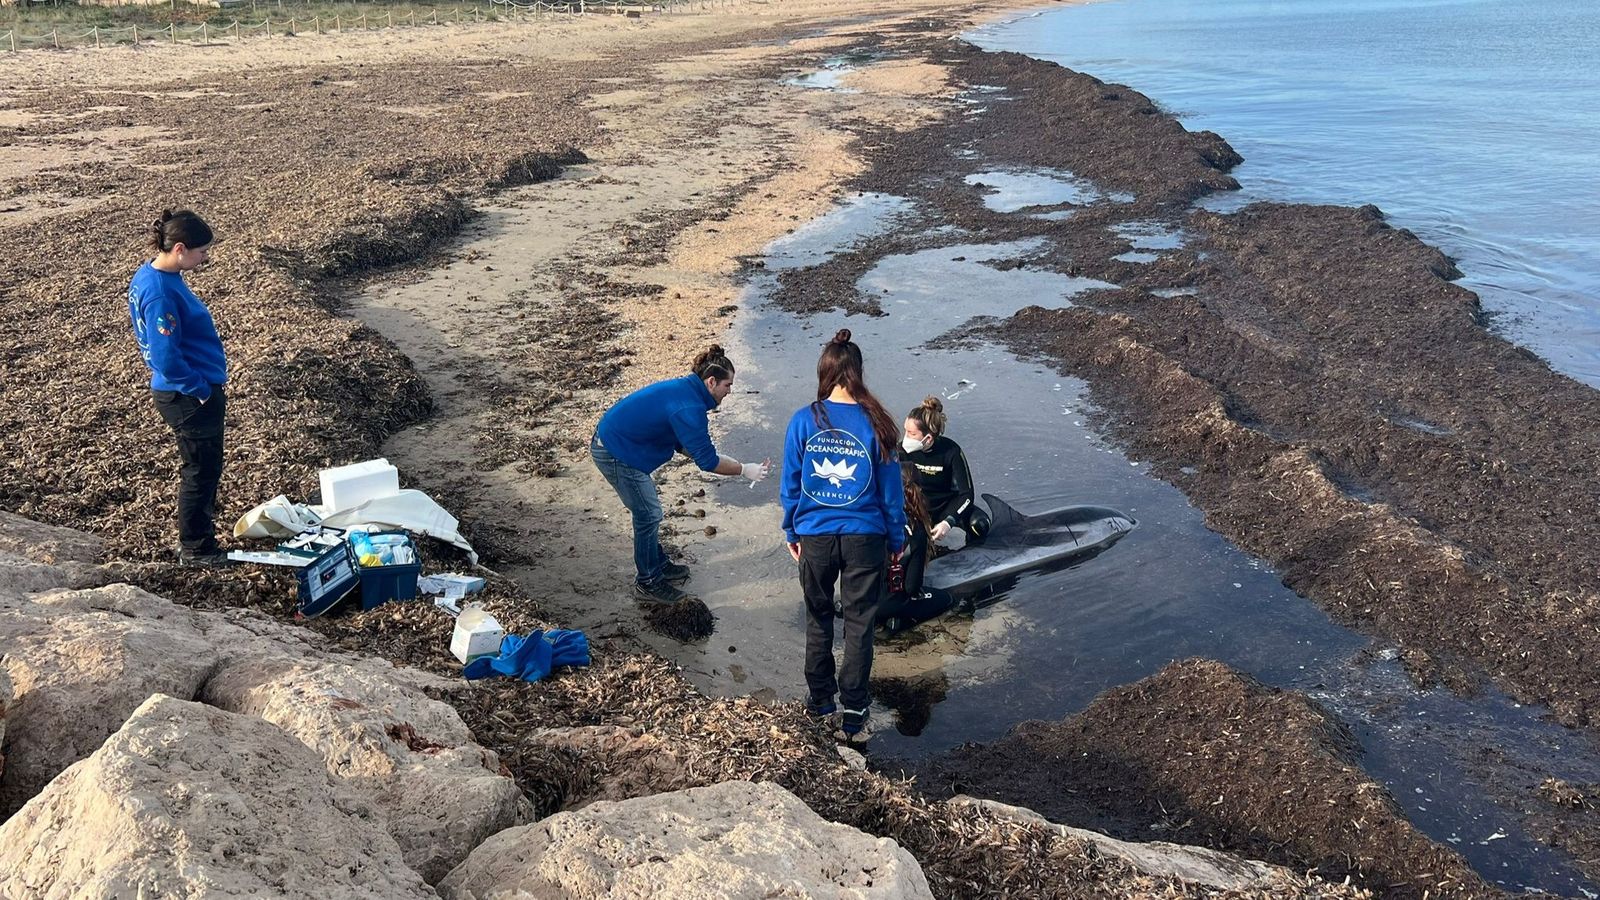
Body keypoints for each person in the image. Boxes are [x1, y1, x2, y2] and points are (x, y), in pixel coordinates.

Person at [781, 329, 905, 742]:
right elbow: (892, 493)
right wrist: (896, 543)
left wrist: (790, 528)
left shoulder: (804, 419)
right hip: (864, 538)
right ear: (858, 373)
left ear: (826, 371)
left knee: (818, 622)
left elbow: (791, 484)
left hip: (815, 534)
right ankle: (853, 717)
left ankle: (820, 706)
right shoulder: (878, 423)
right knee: (858, 626)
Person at [593, 345, 769, 605]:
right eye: (727, 385)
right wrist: (744, 470)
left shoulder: (687, 391)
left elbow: (687, 446)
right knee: (648, 513)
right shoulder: (688, 408)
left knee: (649, 511)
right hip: (614, 451)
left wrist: (735, 464)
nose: (730, 391)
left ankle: (658, 563)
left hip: (619, 442)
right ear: (711, 382)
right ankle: (648, 581)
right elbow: (708, 462)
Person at [128, 209, 231, 567]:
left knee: (202, 468)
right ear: (181, 249)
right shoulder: (160, 294)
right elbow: (166, 357)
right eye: (202, 252)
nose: (206, 258)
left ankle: (197, 541)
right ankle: (196, 548)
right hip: (187, 395)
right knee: (200, 471)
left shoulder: (153, 274)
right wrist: (200, 388)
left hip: (187, 389)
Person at [902, 395, 989, 547]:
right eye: (906, 431)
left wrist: (948, 522)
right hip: (917, 508)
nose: (906, 438)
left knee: (980, 524)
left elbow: (966, 495)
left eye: (912, 434)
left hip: (945, 506)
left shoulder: (951, 451)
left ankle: (974, 561)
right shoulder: (901, 451)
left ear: (928, 439)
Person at [878, 466, 956, 634]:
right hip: (890, 602)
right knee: (947, 599)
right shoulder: (917, 528)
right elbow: (912, 586)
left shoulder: (871, 518)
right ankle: (897, 622)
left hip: (858, 599)